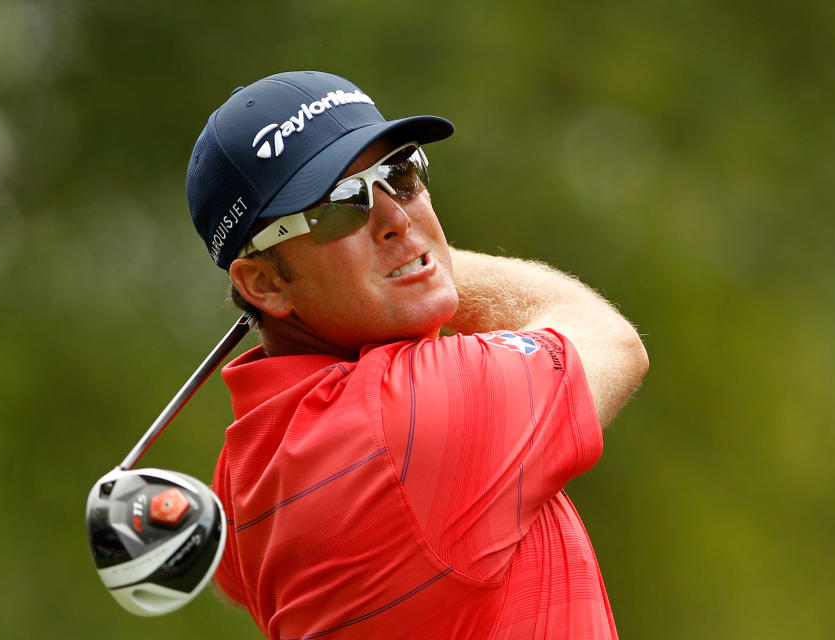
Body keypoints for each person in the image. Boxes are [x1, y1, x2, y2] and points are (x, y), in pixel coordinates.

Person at [185, 71, 648, 640]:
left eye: (400, 174)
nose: (397, 220)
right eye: (340, 206)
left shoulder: (244, 468)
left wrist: (398, 266)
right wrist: (426, 260)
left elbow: (230, 569)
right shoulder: (412, 417)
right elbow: (607, 337)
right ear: (263, 284)